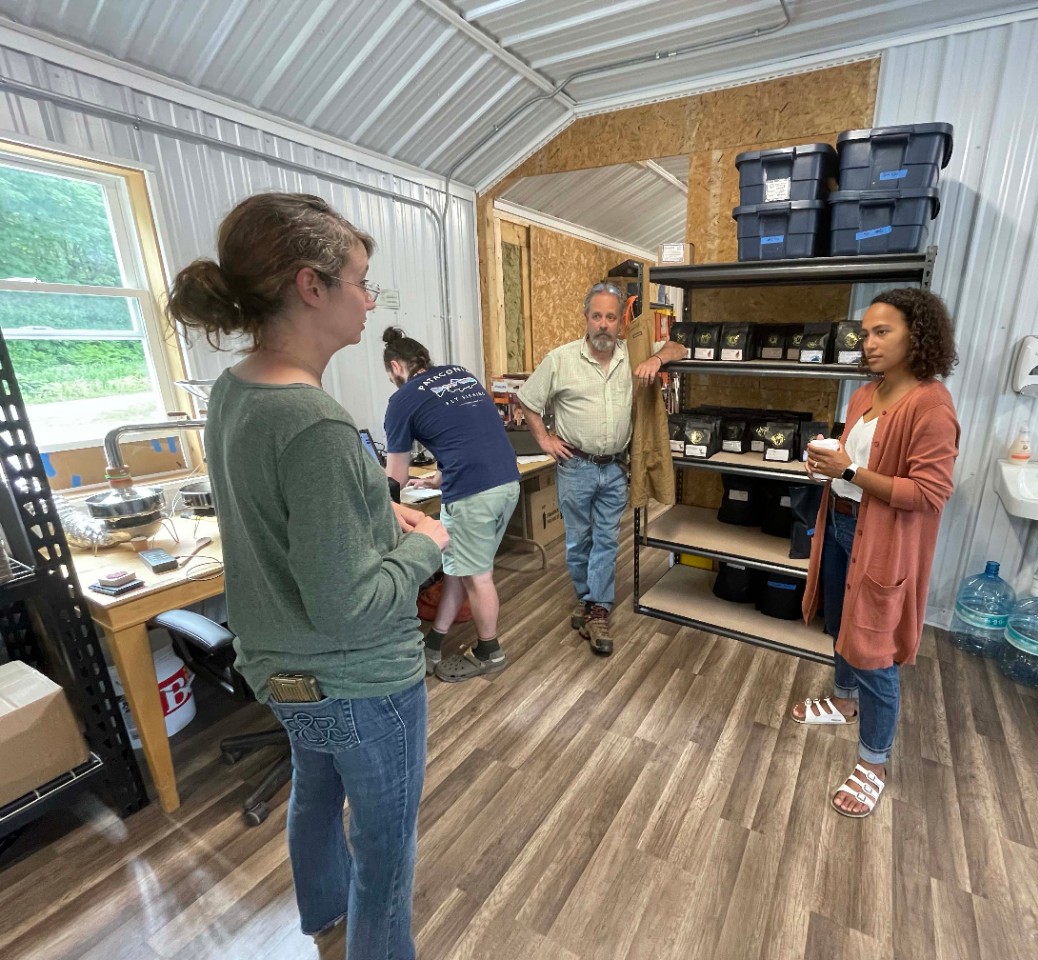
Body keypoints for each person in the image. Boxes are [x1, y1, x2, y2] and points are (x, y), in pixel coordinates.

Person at [167, 192, 449, 959]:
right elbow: (348, 605)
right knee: (385, 857)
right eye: (360, 281)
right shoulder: (316, 422)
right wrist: (430, 542)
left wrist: (373, 513)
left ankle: (322, 919)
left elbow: (283, 509)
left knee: (316, 792)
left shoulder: (235, 391)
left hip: (280, 667)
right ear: (309, 285)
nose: (369, 300)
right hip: (359, 680)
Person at [795, 288, 960, 820]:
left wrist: (845, 470)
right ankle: (844, 700)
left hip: (882, 542)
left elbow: (929, 493)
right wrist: (827, 462)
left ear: (918, 336)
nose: (867, 343)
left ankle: (874, 762)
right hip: (842, 526)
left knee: (875, 649)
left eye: (881, 332)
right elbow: (853, 460)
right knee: (842, 623)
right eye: (864, 333)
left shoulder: (931, 406)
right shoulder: (866, 394)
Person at [516, 280, 687, 655]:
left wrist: (657, 360)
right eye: (598, 316)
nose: (604, 324)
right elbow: (527, 400)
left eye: (611, 317)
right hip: (574, 466)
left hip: (614, 469)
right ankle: (587, 597)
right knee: (579, 541)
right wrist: (544, 440)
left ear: (620, 323)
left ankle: (597, 608)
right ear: (586, 318)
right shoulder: (560, 360)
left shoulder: (633, 355)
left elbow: (679, 346)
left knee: (607, 539)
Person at [381, 325, 520, 682]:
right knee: (457, 566)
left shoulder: (402, 399)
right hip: (506, 482)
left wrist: (382, 506)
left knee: (477, 576)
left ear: (397, 366)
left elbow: (394, 477)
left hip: (473, 494)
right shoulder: (459, 374)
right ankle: (435, 641)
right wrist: (435, 479)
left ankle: (490, 651)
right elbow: (469, 437)